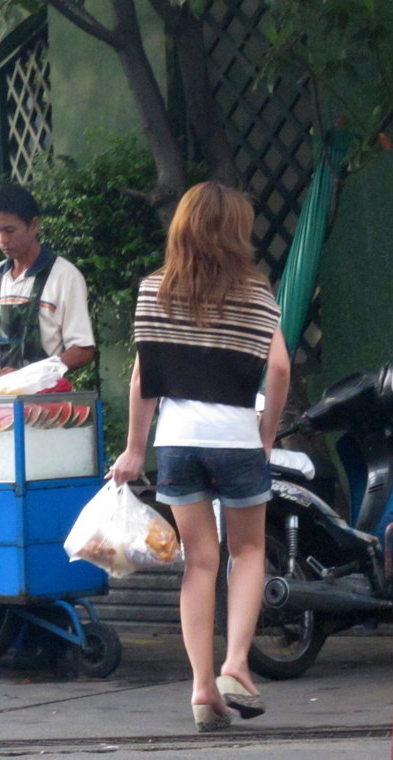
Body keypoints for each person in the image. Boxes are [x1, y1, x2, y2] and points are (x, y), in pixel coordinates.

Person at [109, 181, 290, 733]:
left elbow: (144, 378)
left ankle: (201, 688)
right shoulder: (256, 294)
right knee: (250, 550)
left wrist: (135, 448)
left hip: (178, 440)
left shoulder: (154, 289)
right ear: (236, 232)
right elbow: (279, 369)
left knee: (200, 562)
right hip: (235, 436)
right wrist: (265, 434)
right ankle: (236, 663)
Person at [0, 183, 96, 394]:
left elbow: (83, 351)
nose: (2, 240)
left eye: (9, 230)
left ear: (34, 226)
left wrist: (26, 376)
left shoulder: (64, 276)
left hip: (42, 404)